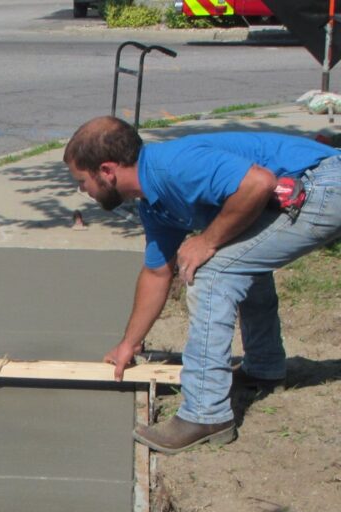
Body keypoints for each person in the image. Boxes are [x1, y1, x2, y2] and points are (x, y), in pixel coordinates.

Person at [64, 116, 341, 453]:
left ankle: (205, 413)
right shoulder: (155, 202)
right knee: (239, 259)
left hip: (323, 183)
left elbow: (258, 183)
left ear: (106, 171)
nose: (83, 191)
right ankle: (264, 369)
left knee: (212, 272)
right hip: (312, 185)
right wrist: (129, 344)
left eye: (82, 181)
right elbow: (156, 273)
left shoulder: (173, 167)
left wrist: (208, 240)